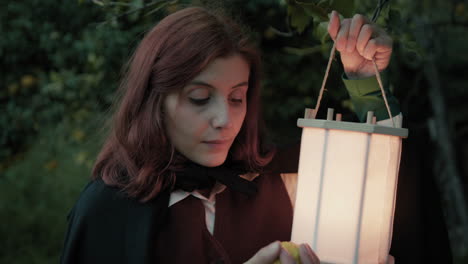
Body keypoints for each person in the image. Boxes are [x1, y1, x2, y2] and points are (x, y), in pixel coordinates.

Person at [60, 6, 399, 264]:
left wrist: (364, 79)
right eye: (200, 98)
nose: (225, 119)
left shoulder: (279, 183)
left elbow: (385, 182)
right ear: (154, 102)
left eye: (237, 98)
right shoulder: (107, 212)